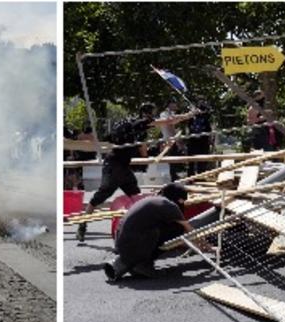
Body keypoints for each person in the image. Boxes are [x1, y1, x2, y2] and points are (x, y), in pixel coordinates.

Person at [78, 103, 195, 242]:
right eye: (152, 114)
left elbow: (112, 141)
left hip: (118, 166)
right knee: (101, 197)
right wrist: (188, 115)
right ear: (147, 114)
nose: (153, 118)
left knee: (134, 195)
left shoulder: (126, 123)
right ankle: (82, 225)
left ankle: (139, 227)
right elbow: (168, 122)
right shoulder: (140, 124)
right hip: (115, 167)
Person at [103, 183, 205, 282]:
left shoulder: (154, 199)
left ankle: (134, 263)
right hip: (133, 245)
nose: (182, 203)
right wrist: (205, 245)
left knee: (161, 227)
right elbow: (188, 229)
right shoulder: (169, 205)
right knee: (177, 228)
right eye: (182, 200)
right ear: (178, 198)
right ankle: (142, 264)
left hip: (121, 244)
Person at [185, 99, 214, 176]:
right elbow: (188, 127)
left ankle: (199, 177)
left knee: (201, 161)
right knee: (192, 161)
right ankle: (191, 178)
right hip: (194, 140)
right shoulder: (193, 116)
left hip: (202, 140)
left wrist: (210, 140)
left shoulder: (206, 116)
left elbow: (209, 129)